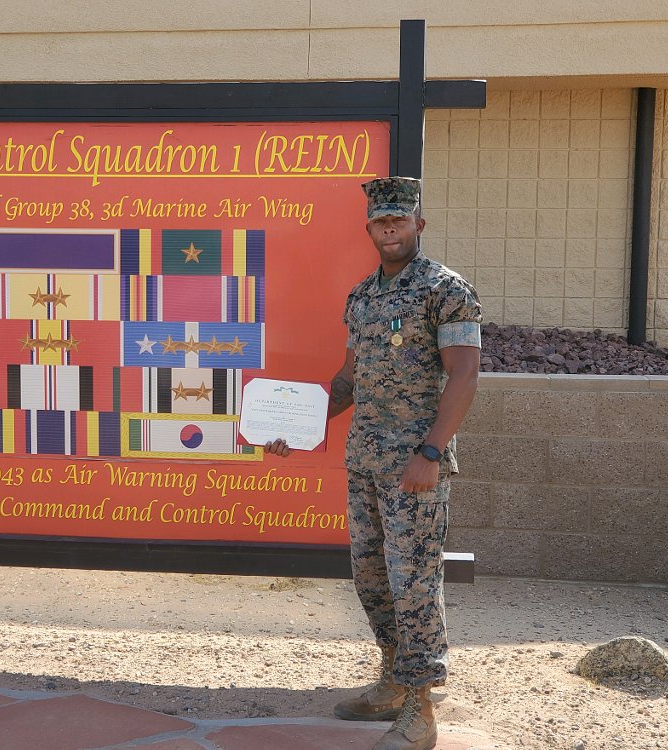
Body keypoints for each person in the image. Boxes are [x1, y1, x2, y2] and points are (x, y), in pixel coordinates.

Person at [266, 176, 481, 750]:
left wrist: (431, 451)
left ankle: (420, 709)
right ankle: (391, 680)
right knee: (371, 576)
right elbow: (347, 379)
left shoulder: (446, 290)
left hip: (415, 463)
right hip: (364, 459)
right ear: (369, 229)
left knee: (414, 582)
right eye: (380, 222)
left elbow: (464, 373)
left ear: (419, 225)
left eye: (399, 221)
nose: (390, 230)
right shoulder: (361, 297)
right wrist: (298, 428)